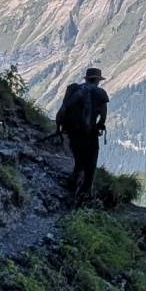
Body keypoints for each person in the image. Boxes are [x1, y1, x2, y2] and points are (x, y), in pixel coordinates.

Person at [54, 67, 110, 200]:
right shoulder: (100, 93)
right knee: (91, 161)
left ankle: (73, 180)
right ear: (97, 80)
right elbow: (103, 114)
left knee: (79, 157)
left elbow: (62, 110)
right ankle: (85, 192)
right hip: (89, 132)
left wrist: (58, 128)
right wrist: (100, 125)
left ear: (86, 78)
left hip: (72, 131)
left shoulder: (74, 90)